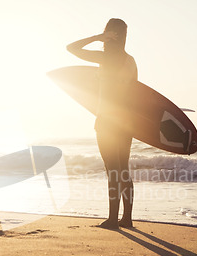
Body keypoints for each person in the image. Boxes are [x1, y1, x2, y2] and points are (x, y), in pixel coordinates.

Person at [67, 18, 138, 229]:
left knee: (112, 170)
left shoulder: (106, 58)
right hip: (127, 121)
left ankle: (112, 220)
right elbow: (135, 93)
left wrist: (97, 37)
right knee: (123, 169)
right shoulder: (130, 61)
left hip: (107, 120)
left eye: (106, 32)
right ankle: (127, 218)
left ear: (110, 35)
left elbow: (71, 48)